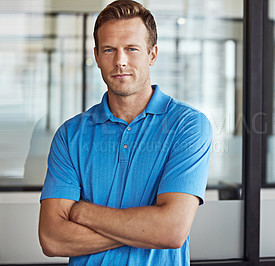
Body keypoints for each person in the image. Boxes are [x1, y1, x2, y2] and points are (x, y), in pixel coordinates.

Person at [38, 0, 212, 265]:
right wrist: (145, 228)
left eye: (132, 49)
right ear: (96, 56)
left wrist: (83, 212)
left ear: (152, 54)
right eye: (109, 50)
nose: (120, 61)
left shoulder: (187, 126)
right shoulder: (70, 135)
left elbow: (171, 230)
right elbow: (52, 238)